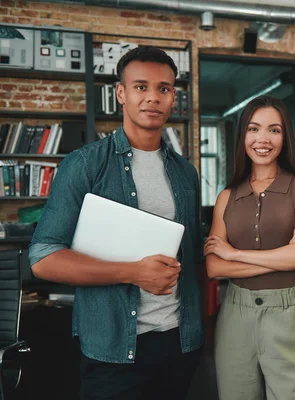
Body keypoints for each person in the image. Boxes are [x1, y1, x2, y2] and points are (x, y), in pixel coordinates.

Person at [29, 46, 202, 400]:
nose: (153, 97)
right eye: (141, 87)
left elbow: (192, 256)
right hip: (112, 348)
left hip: (178, 343)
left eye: (164, 89)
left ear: (173, 98)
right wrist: (134, 272)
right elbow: (43, 257)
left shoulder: (186, 172)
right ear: (120, 93)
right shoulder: (84, 164)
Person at [204, 95, 295, 400]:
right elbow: (215, 267)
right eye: (254, 129)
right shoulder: (226, 196)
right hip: (235, 318)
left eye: (274, 130)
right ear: (242, 135)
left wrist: (236, 254)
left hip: (289, 315)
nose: (263, 139)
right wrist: (286, 257)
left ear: (285, 137)